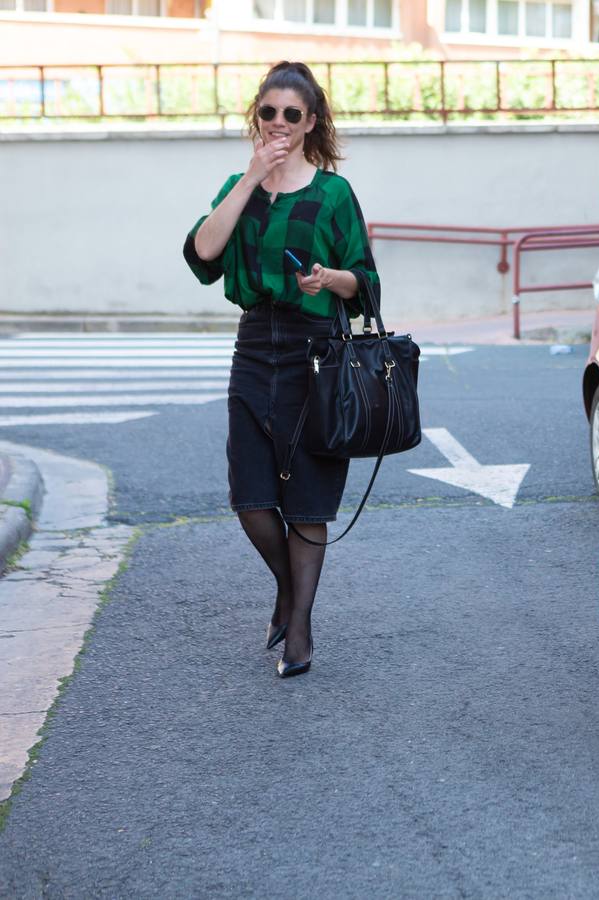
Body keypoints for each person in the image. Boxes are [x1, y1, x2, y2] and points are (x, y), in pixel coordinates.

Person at [183, 61, 379, 679]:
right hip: (254, 345)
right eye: (268, 112)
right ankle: (290, 592)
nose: (279, 124)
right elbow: (202, 253)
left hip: (316, 348)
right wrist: (250, 178)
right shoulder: (236, 186)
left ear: (311, 121)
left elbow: (365, 279)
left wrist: (328, 279)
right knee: (251, 497)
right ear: (257, 117)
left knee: (310, 501)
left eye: (292, 114)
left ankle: (299, 632)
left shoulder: (332, 193)